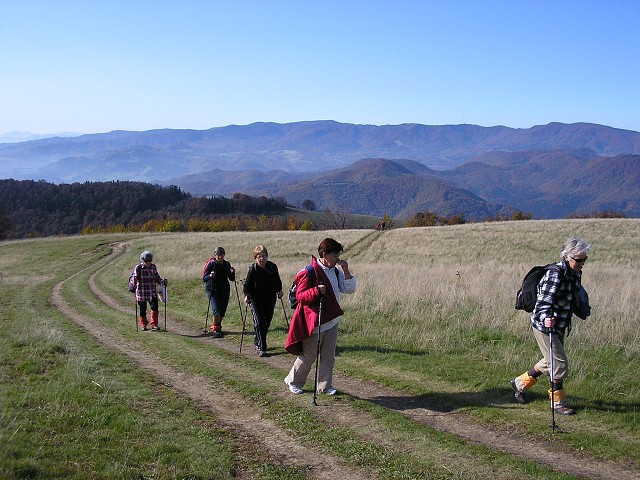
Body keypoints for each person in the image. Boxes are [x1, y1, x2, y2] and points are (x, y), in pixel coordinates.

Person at [509, 236, 592, 415]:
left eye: (584, 259)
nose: (582, 263)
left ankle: (519, 383)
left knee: (549, 361)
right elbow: (542, 302)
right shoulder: (555, 274)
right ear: (566, 257)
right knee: (560, 364)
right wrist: (546, 318)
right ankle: (558, 402)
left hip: (560, 325)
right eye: (579, 260)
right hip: (545, 326)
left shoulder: (575, 272)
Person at [284, 238, 357, 395]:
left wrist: (346, 270)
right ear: (324, 254)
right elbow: (300, 296)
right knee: (309, 356)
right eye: (335, 256)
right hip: (315, 323)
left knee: (328, 357)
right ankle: (293, 381)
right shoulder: (309, 272)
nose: (338, 259)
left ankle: (324, 387)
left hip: (332, 321)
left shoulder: (336, 271)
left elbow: (349, 289)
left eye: (338, 256)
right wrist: (316, 291)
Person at [243, 245, 284, 357]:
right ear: (255, 258)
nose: (262, 258)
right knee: (260, 322)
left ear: (267, 256)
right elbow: (247, 285)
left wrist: (279, 290)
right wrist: (247, 295)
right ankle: (262, 347)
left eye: (263, 256)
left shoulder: (272, 267)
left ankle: (258, 340)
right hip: (255, 299)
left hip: (270, 298)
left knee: (266, 323)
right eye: (259, 256)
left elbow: (277, 281)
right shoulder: (253, 269)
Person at [202, 247, 236, 337]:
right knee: (216, 309)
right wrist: (210, 275)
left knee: (222, 310)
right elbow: (204, 279)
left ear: (224, 255)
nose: (220, 257)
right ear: (215, 255)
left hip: (224, 289)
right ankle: (215, 329)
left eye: (222, 255)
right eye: (218, 255)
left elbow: (232, 279)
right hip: (212, 289)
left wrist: (232, 272)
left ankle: (218, 327)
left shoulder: (227, 264)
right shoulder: (211, 264)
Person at [131, 250, 167, 331]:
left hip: (152, 292)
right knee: (142, 310)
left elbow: (157, 277)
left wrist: (162, 281)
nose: (148, 262)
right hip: (141, 292)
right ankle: (143, 324)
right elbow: (134, 278)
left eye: (150, 260)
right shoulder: (138, 268)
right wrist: (135, 280)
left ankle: (154, 324)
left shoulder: (153, 267)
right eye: (146, 261)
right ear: (143, 260)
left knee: (155, 307)